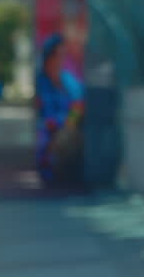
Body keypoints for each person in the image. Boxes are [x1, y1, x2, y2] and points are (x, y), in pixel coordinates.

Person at [34, 33, 84, 184]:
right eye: (56, 54)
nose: (59, 59)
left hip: (68, 126)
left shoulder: (67, 79)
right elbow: (42, 106)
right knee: (44, 137)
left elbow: (78, 104)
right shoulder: (42, 80)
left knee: (64, 140)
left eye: (62, 55)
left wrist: (69, 125)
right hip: (49, 125)